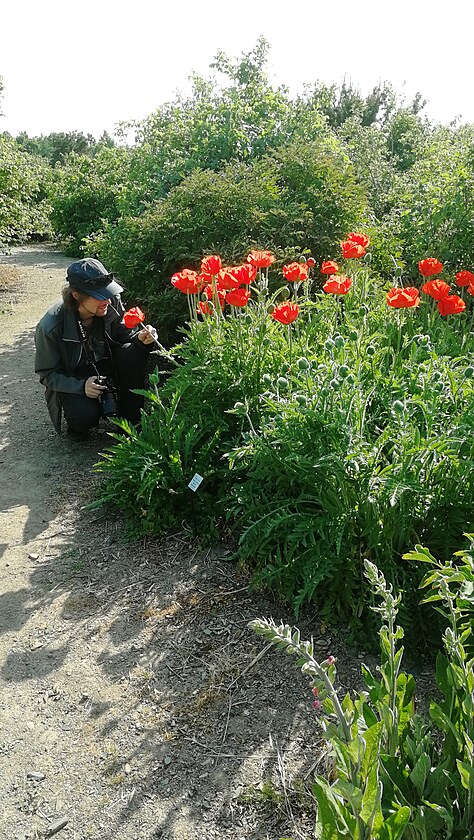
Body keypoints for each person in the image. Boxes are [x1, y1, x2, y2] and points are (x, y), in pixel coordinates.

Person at [35, 258, 156, 441]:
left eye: (109, 292)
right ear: (76, 295)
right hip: (76, 375)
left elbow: (125, 336)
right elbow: (47, 374)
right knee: (84, 416)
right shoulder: (50, 326)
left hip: (108, 363)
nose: (107, 300)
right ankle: (78, 424)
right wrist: (81, 386)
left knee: (133, 352)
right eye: (99, 295)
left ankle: (132, 424)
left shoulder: (111, 301)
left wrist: (141, 339)